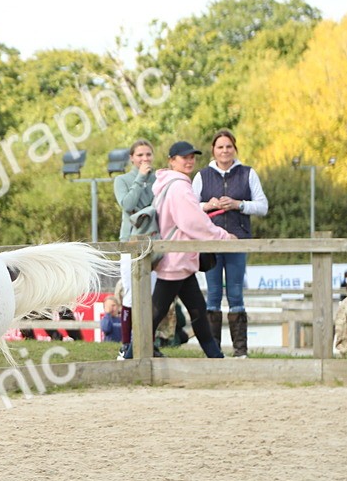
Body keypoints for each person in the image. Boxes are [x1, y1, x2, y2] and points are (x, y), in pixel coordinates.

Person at [150, 142, 236, 358]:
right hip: (176, 259)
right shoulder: (179, 186)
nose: (189, 161)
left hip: (179, 259)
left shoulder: (168, 184)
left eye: (192, 157)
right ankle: (133, 352)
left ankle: (216, 358)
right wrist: (223, 236)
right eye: (183, 157)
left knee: (197, 311)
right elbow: (192, 221)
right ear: (171, 161)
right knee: (158, 313)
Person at [193, 129, 268, 358]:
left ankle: (240, 351)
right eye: (220, 147)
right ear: (213, 151)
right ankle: (213, 350)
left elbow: (263, 206)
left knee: (236, 294)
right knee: (213, 294)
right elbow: (189, 207)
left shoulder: (248, 173)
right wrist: (207, 205)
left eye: (228, 146)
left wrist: (239, 204)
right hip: (211, 242)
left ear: (235, 149)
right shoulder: (202, 176)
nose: (224, 151)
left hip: (238, 240)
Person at [113, 139, 157, 358]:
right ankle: (125, 344)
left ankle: (149, 342)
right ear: (132, 158)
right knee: (130, 294)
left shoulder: (158, 178)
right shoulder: (122, 180)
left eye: (148, 155)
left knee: (151, 294)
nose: (145, 159)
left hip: (154, 241)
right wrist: (140, 178)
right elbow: (127, 205)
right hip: (129, 241)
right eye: (140, 155)